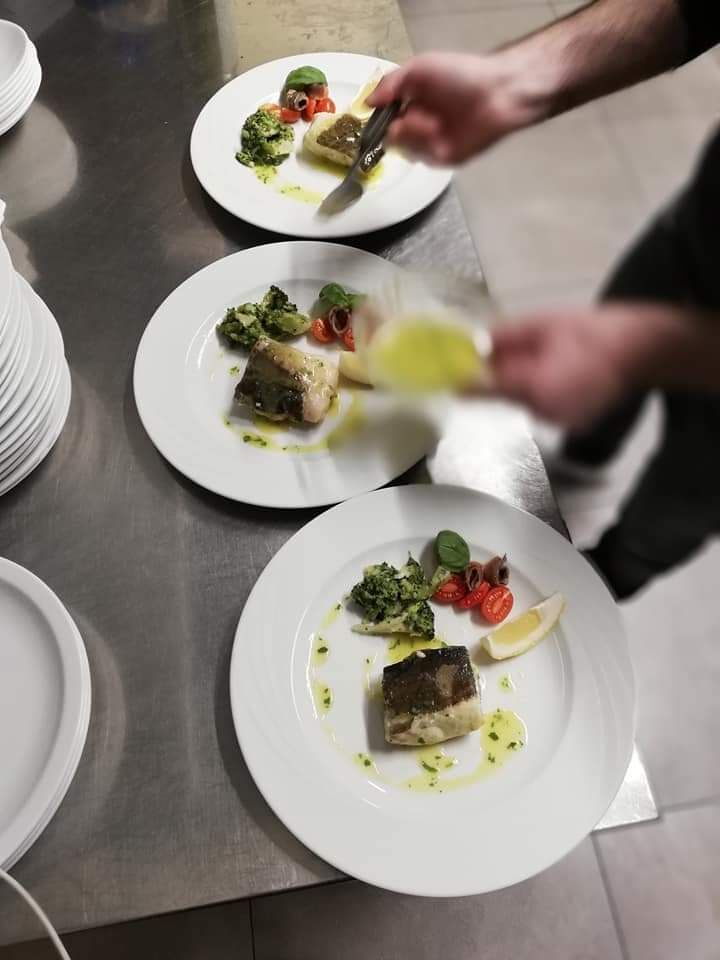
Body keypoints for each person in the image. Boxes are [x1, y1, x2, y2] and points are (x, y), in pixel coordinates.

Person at [370, 0, 720, 600]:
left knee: (680, 500)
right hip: (702, 225)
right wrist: (516, 80)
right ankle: (588, 450)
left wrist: (648, 346)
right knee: (614, 361)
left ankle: (613, 572)